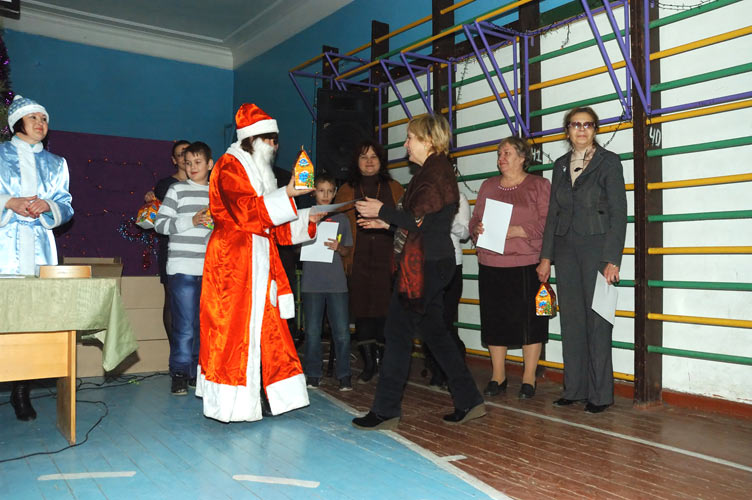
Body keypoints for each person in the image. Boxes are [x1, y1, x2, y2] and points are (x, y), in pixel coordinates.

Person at [351, 114, 484, 430]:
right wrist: (386, 222)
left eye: (411, 137)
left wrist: (382, 211)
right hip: (433, 261)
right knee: (435, 333)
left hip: (424, 266)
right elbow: (424, 222)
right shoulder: (434, 171)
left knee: (397, 333)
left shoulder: (434, 173)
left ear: (428, 140)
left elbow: (419, 221)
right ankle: (469, 399)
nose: (406, 143)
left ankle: (385, 410)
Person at [197, 103, 319, 423]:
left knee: (269, 330)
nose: (275, 146)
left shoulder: (260, 172)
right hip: (233, 262)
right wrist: (288, 193)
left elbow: (271, 226)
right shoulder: (229, 166)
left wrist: (309, 218)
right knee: (233, 333)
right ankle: (233, 402)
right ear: (252, 139)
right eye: (270, 139)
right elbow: (246, 212)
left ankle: (266, 394)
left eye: (276, 140)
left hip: (261, 261)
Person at [536, 106, 627, 414]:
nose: (582, 130)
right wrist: (546, 257)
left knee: (598, 321)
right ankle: (574, 388)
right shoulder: (560, 165)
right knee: (572, 321)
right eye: (576, 124)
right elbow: (553, 214)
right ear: (568, 131)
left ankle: (600, 394)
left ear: (595, 130)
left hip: (597, 250)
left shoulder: (609, 162)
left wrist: (612, 258)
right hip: (565, 251)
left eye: (588, 125)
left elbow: (619, 213)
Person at [0, 94, 73, 421]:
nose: (40, 123)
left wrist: (49, 206)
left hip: (40, 248)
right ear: (17, 122)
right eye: (34, 118)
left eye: (44, 119)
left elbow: (66, 205)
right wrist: (8, 202)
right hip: (4, 246)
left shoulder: (56, 163)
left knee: (32, 319)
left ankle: (21, 391)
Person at [470, 137, 551, 399]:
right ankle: (498, 376)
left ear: (522, 157)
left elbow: (549, 223)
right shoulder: (488, 185)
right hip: (491, 264)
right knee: (494, 321)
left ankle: (529, 378)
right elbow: (475, 219)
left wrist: (517, 230)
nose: (501, 158)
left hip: (528, 264)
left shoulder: (539, 185)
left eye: (506, 153)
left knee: (531, 323)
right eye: (499, 154)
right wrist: (476, 229)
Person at [333, 140, 404, 383]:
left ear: (381, 161)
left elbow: (406, 223)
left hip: (388, 261)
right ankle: (368, 363)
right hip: (357, 260)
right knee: (362, 311)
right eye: (364, 157)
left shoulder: (395, 188)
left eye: (374, 156)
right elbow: (335, 227)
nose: (369, 161)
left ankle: (384, 361)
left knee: (385, 312)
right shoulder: (346, 190)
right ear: (356, 162)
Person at [154, 141, 213, 395]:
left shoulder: (217, 193)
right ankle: (179, 372)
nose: (192, 167)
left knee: (203, 325)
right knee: (185, 325)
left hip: (210, 269)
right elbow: (160, 225)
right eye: (188, 163)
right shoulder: (177, 190)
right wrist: (192, 220)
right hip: (182, 268)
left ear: (210, 164)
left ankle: (197, 372)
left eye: (198, 162)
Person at [301, 172, 353, 391]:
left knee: (342, 332)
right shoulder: (304, 216)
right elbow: (293, 245)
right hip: (311, 283)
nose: (325, 195)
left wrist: (339, 248)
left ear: (334, 193)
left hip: (336, 284)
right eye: (321, 190)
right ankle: (313, 374)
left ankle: (344, 375)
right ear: (314, 192)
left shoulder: (342, 219)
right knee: (312, 332)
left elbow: (348, 250)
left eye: (329, 191)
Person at [145, 140, 190, 343]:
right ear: (174, 160)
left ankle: (195, 353)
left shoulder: (206, 183)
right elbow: (169, 218)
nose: (185, 157)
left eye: (189, 152)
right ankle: (176, 352)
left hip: (201, 250)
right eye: (181, 154)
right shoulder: (165, 185)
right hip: (172, 250)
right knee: (172, 300)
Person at [424, 191, 470, 388]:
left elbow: (466, 233)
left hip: (452, 264)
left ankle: (454, 370)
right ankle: (436, 368)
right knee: (429, 319)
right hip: (426, 262)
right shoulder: (423, 195)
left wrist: (445, 219)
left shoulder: (459, 197)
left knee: (445, 320)